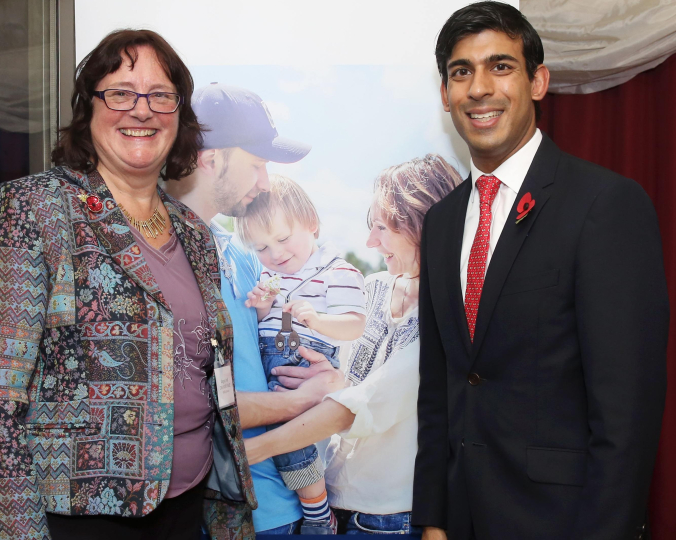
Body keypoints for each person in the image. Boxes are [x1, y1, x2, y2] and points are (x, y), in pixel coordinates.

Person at [0, 30, 255, 540]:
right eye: (120, 92)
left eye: (161, 96)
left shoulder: (194, 232)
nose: (142, 110)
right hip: (79, 518)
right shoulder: (31, 209)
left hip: (189, 503)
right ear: (88, 109)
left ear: (179, 117)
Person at [413, 3, 670, 540]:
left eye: (500, 67)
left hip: (564, 523)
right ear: (445, 94)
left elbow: (627, 414)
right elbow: (440, 389)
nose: (479, 88)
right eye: (462, 72)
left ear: (538, 82)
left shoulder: (605, 205)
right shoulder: (439, 223)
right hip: (460, 520)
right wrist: (434, 518)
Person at [244, 155, 461, 535]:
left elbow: (363, 407)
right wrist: (331, 380)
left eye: (382, 227)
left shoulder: (448, 315)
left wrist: (251, 453)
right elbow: (346, 381)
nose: (370, 241)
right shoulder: (373, 287)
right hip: (337, 500)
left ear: (422, 227)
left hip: (388, 517)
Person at [165, 82, 344, 535]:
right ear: (210, 159)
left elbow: (276, 347)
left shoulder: (245, 257)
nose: (266, 182)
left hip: (282, 509)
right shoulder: (153, 256)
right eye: (257, 164)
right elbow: (179, 404)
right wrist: (303, 400)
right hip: (205, 512)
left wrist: (325, 374)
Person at [235, 174, 367, 534]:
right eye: (261, 248)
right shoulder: (269, 275)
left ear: (312, 224)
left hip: (303, 355)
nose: (275, 254)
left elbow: (354, 324)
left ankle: (318, 512)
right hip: (272, 354)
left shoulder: (336, 271)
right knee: (278, 429)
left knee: (288, 435)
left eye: (281, 238)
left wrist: (319, 319)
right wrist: (263, 307)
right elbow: (267, 324)